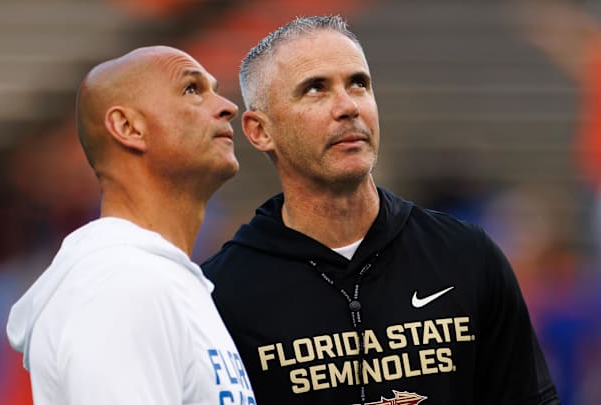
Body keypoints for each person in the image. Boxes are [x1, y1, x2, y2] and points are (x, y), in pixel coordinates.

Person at [202, 15, 559, 404]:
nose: (348, 106)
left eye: (358, 83)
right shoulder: (222, 293)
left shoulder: (466, 255)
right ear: (260, 131)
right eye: (316, 89)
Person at [6, 46, 256, 404]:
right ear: (128, 127)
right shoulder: (120, 284)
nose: (228, 106)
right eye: (191, 90)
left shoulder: (161, 280)